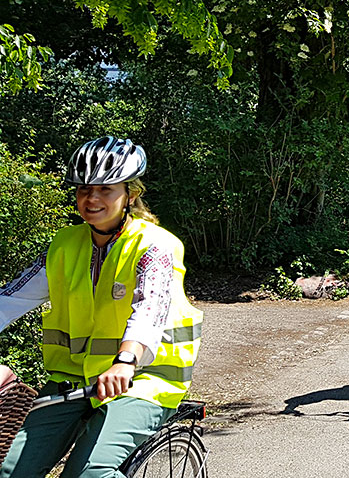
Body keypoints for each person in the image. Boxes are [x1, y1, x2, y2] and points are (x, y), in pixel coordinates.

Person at [0, 136, 204, 478]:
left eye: (105, 189)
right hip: (73, 379)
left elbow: (149, 310)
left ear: (130, 194)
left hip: (143, 379)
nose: (91, 198)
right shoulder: (64, 245)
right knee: (10, 472)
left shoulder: (155, 246)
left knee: (89, 473)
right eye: (84, 189)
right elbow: (9, 299)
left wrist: (126, 361)